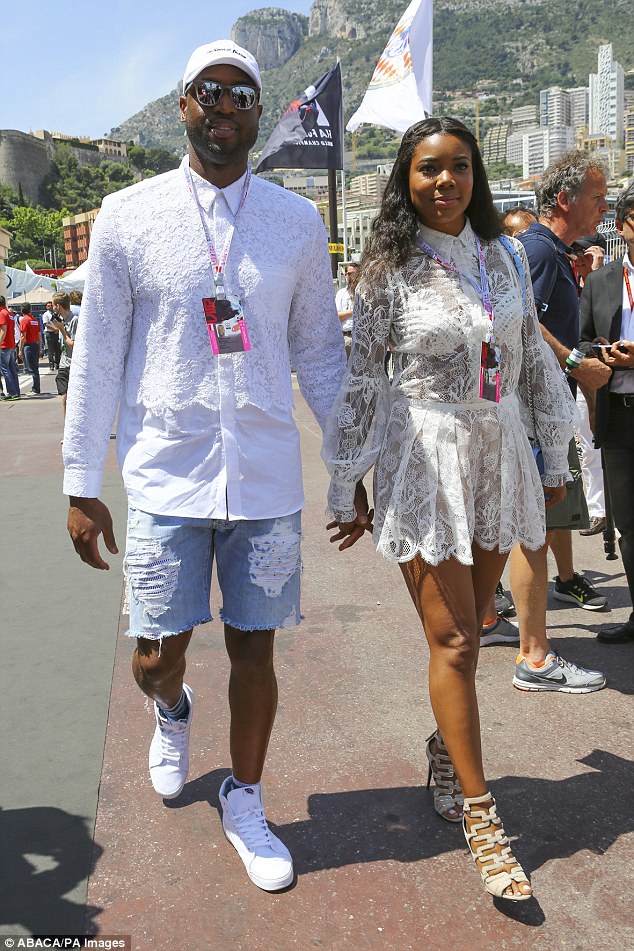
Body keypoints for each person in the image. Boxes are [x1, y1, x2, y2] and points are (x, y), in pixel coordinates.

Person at [62, 40, 345, 893]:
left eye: (242, 95)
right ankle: (172, 710)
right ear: (182, 105)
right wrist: (82, 480)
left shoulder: (297, 223)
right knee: (156, 653)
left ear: (261, 114)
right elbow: (99, 352)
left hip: (264, 476)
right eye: (207, 92)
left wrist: (351, 459)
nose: (225, 107)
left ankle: (245, 796)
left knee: (257, 649)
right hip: (164, 474)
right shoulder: (127, 214)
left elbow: (321, 354)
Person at [323, 117, 576, 901]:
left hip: (497, 456)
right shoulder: (386, 270)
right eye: (429, 169)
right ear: (406, 180)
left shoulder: (503, 254)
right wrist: (347, 482)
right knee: (458, 640)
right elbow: (363, 379)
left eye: (459, 167)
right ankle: (482, 813)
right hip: (422, 459)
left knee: (482, 625)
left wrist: (556, 452)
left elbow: (530, 354)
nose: (445, 181)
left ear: (476, 176)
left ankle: (444, 746)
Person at [507, 151, 611, 693]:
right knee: (531, 531)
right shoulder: (539, 252)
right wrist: (575, 362)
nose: (605, 208)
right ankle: (536, 654)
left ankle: (502, 629)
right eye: (597, 198)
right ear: (565, 200)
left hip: (538, 411)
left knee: (531, 528)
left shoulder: (552, 253)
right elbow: (523, 319)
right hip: (531, 415)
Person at [580, 182, 634, 643]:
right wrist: (596, 359)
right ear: (623, 225)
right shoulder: (600, 281)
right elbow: (581, 341)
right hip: (618, 415)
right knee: (629, 524)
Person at [51, 292, 79, 418]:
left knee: (75, 398)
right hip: (64, 364)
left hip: (74, 364)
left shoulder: (74, 320)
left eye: (53, 305)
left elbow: (73, 345)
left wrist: (62, 330)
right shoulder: (61, 321)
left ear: (58, 306)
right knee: (64, 396)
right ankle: (68, 427)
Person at [336, 262, 360, 357]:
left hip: (362, 337)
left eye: (357, 273)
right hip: (347, 337)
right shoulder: (341, 293)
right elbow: (337, 317)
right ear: (346, 275)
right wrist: (353, 311)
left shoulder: (365, 292)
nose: (354, 276)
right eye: (351, 273)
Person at [0, 295, 21, 400]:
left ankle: (12, 392)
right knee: (12, 369)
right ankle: (16, 392)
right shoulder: (9, 313)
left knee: (5, 369)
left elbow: (3, 330)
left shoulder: (2, 313)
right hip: (11, 344)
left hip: (4, 345)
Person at [18, 304, 42, 396]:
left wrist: (20, 349)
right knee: (35, 367)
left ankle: (35, 389)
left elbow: (23, 336)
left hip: (28, 346)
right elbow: (39, 335)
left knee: (32, 368)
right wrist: (40, 347)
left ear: (21, 311)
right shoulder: (35, 320)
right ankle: (36, 387)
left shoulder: (24, 320)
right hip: (35, 344)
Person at [43, 301, 62, 371]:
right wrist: (55, 329)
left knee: (57, 350)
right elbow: (46, 324)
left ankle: (57, 364)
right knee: (50, 350)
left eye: (51, 305)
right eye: (48, 306)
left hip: (56, 333)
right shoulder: (45, 314)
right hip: (50, 333)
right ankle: (51, 365)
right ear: (46, 307)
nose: (50, 307)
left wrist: (58, 329)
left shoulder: (55, 314)